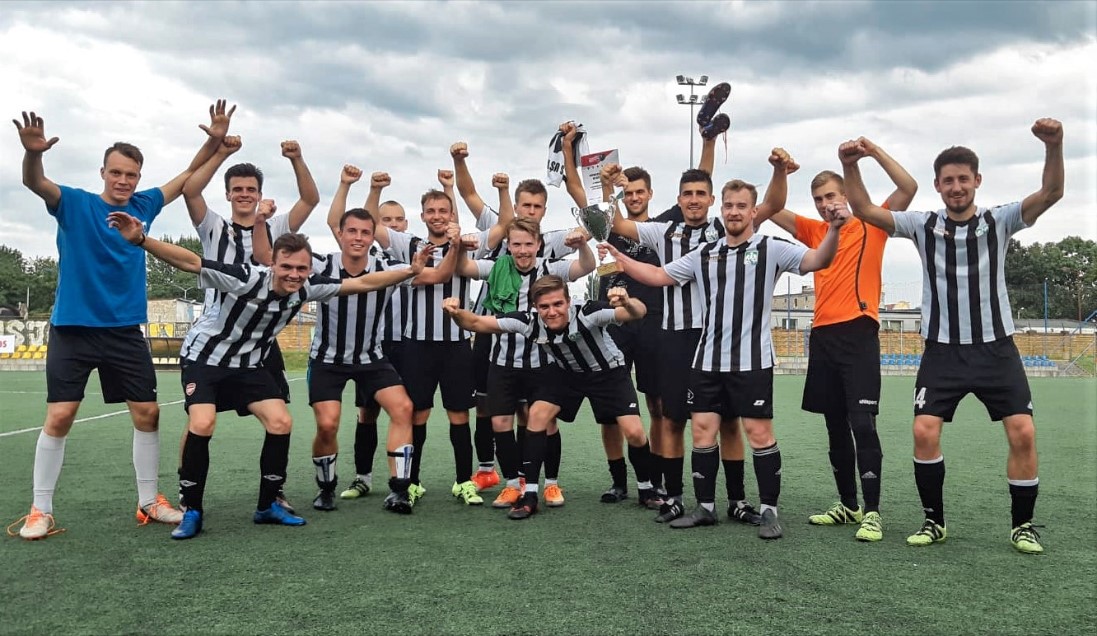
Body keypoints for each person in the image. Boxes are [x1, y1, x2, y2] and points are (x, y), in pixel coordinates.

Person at [108, 209, 430, 539]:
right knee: (202, 423)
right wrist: (142, 240)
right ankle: (192, 510)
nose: (294, 275)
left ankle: (267, 505)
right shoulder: (245, 278)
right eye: (286, 267)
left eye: (301, 268)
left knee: (281, 422)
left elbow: (362, 282)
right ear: (272, 264)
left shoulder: (309, 287)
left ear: (309, 269)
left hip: (250, 364)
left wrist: (409, 271)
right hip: (207, 359)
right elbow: (191, 262)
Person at [839, 118, 1064, 554]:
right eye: (948, 181)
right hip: (942, 351)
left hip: (996, 348)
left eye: (963, 179)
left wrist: (1053, 145)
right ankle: (934, 521)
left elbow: (1052, 192)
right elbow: (864, 209)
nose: (956, 187)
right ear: (937, 186)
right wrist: (853, 163)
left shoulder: (1000, 220)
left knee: (1022, 432)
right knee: (924, 431)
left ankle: (1023, 526)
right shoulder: (922, 224)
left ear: (977, 180)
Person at [9, 102, 231, 540]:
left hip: (125, 331)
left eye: (131, 174)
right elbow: (35, 182)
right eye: (117, 172)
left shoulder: (145, 204)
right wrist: (33, 153)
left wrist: (215, 141)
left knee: (148, 413)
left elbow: (187, 176)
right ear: (103, 173)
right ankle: (40, 510)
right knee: (61, 415)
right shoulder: (74, 203)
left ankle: (149, 502)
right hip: (73, 329)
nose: (124, 180)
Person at [605, 178, 847, 539]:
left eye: (741, 206)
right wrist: (620, 258)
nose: (734, 212)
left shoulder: (771, 248)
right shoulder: (705, 253)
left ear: (753, 211)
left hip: (752, 360)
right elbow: (658, 275)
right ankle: (705, 508)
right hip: (707, 360)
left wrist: (835, 230)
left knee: (758, 433)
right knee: (703, 431)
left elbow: (818, 259)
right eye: (729, 206)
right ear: (723, 209)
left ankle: (769, 511)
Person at [604, 153, 791, 524]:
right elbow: (617, 224)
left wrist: (779, 171)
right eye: (687, 194)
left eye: (700, 193)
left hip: (716, 339)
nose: (693, 200)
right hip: (674, 337)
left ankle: (736, 500)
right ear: (678, 200)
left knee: (729, 422)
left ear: (711, 200)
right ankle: (674, 497)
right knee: (673, 419)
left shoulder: (726, 227)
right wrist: (610, 188)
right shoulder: (662, 231)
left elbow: (773, 204)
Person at [753, 138, 917, 542]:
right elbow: (768, 209)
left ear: (845, 195)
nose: (825, 204)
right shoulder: (816, 231)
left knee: (863, 423)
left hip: (859, 331)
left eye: (830, 196)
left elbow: (909, 187)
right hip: (823, 334)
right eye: (818, 199)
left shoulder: (872, 222)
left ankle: (873, 512)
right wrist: (779, 171)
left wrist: (872, 153)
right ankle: (848, 504)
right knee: (834, 426)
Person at [291, 166, 460, 511]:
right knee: (328, 424)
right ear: (339, 233)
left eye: (365, 232)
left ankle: (399, 489)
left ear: (373, 236)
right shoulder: (321, 264)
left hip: (371, 357)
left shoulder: (386, 265)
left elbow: (439, 275)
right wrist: (345, 184)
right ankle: (326, 487)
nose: (358, 237)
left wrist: (452, 247)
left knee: (404, 408)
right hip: (328, 359)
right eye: (351, 231)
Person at [442, 275, 659, 519]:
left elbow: (637, 312)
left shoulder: (588, 312)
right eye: (544, 306)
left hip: (608, 374)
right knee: (537, 415)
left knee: (634, 432)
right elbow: (475, 323)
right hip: (567, 375)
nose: (552, 312)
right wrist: (455, 312)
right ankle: (530, 495)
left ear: (568, 302)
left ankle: (646, 488)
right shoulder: (528, 322)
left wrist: (627, 302)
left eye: (558, 304)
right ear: (535, 307)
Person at [181, 131, 320, 511]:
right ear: (228, 194)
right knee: (200, 420)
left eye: (251, 189)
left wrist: (296, 158)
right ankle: (186, 489)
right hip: (218, 335)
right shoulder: (213, 227)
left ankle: (273, 492)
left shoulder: (277, 228)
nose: (244, 194)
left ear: (260, 194)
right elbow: (191, 191)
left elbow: (310, 199)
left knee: (278, 419)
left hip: (261, 341)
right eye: (238, 189)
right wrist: (221, 152)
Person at [452, 142, 576, 493]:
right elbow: (468, 193)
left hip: (536, 341)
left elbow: (586, 240)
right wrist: (459, 162)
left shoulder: (551, 242)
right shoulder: (498, 225)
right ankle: (488, 469)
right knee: (487, 405)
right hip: (491, 331)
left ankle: (530, 477)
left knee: (532, 412)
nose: (531, 211)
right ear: (516, 207)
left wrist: (584, 235)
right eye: (526, 205)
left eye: (537, 207)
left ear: (544, 210)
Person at [454, 217, 595, 509]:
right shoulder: (497, 267)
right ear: (508, 245)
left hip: (543, 363)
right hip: (502, 361)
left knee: (546, 422)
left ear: (538, 244)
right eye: (516, 244)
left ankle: (551, 484)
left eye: (528, 244)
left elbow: (586, 267)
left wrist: (583, 245)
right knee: (500, 422)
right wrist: (460, 247)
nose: (522, 250)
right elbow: (464, 267)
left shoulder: (549, 267)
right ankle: (511, 485)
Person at [371, 182, 484, 506]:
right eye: (431, 211)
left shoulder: (467, 244)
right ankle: (413, 482)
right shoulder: (410, 245)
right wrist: (374, 189)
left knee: (459, 416)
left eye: (443, 210)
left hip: (456, 344)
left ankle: (464, 481)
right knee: (418, 415)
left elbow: (503, 225)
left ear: (451, 214)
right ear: (421, 216)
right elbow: (372, 223)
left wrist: (454, 186)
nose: (437, 216)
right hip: (417, 345)